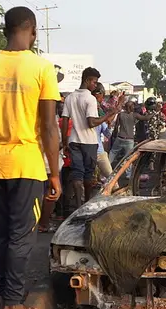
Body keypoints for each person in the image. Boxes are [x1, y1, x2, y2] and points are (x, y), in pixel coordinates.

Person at [0, 6, 62, 309]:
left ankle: (10, 301)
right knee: (21, 238)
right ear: (33, 31)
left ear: (4, 30)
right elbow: (49, 127)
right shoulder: (41, 68)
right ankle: (12, 306)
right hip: (27, 166)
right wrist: (54, 173)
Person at [61, 67, 117, 206]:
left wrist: (64, 141)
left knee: (77, 173)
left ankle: (79, 204)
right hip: (89, 142)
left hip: (74, 140)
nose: (95, 85)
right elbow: (91, 122)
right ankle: (86, 202)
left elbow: (65, 120)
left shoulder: (70, 98)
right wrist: (108, 115)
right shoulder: (90, 99)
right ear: (87, 80)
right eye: (94, 82)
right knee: (88, 174)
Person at [109, 101, 151, 166]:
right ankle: (128, 175)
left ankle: (106, 170)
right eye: (133, 106)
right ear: (131, 107)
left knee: (112, 153)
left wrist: (114, 136)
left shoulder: (120, 114)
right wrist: (154, 113)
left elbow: (116, 127)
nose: (134, 107)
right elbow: (146, 118)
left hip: (120, 138)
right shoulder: (134, 115)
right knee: (128, 158)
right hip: (129, 140)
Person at [91, 83, 114, 181]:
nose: (101, 101)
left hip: (98, 151)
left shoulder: (100, 116)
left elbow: (108, 134)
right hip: (90, 151)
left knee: (112, 180)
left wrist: (109, 124)